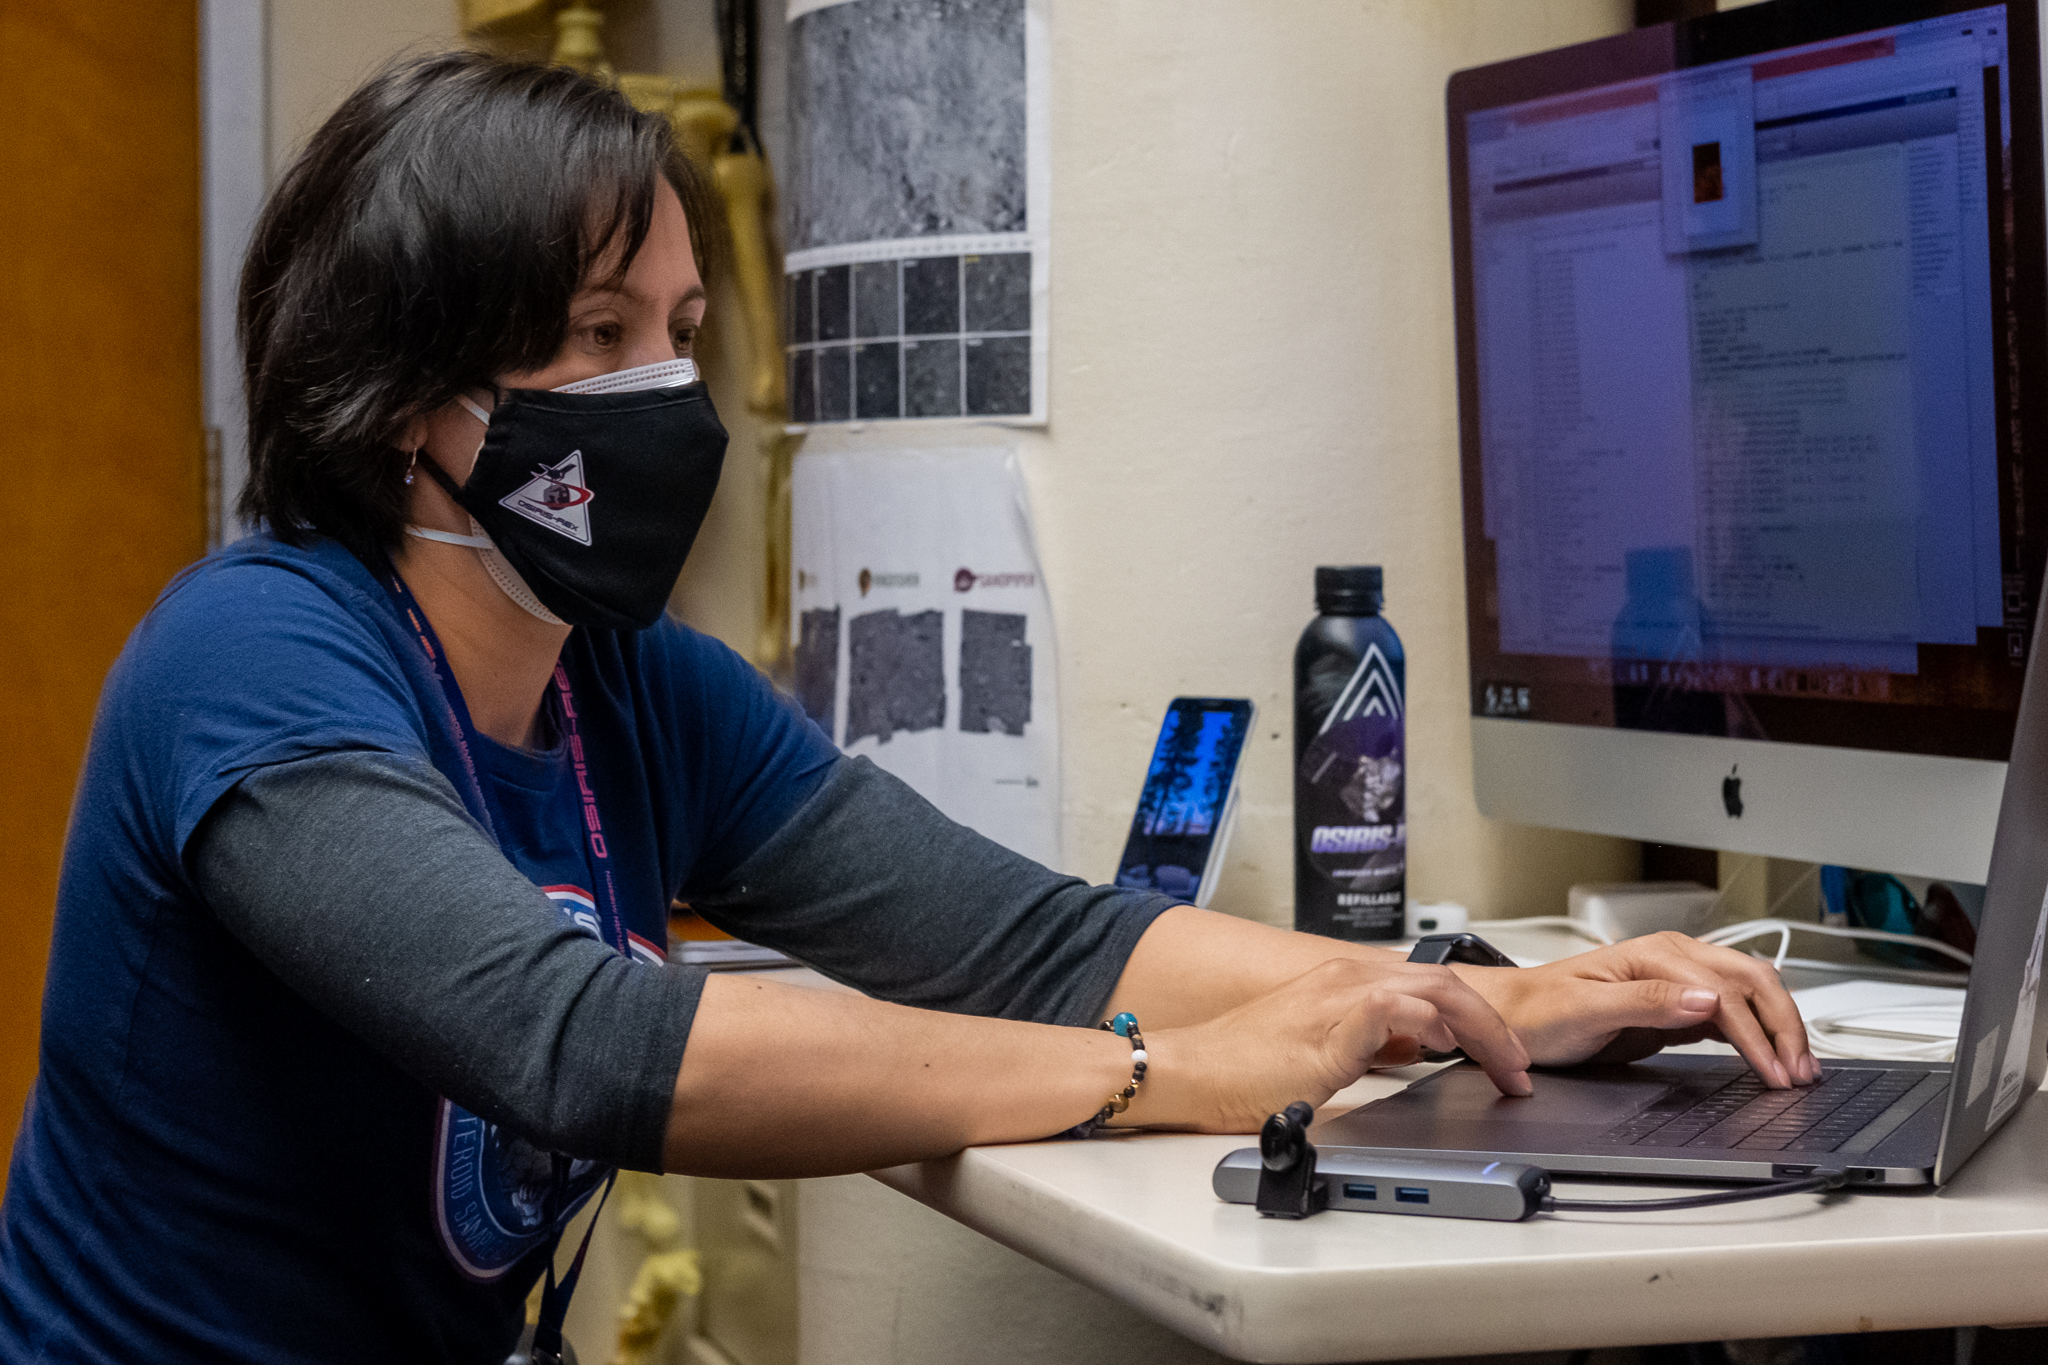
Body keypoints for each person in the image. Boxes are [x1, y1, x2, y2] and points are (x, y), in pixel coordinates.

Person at [0, 51, 1816, 1365]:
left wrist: (1471, 1003)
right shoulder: (248, 659)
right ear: (411, 396)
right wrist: (1164, 1078)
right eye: (592, 332)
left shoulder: (635, 697)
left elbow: (1024, 941)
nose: (666, 388)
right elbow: (586, 1045)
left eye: (682, 326)